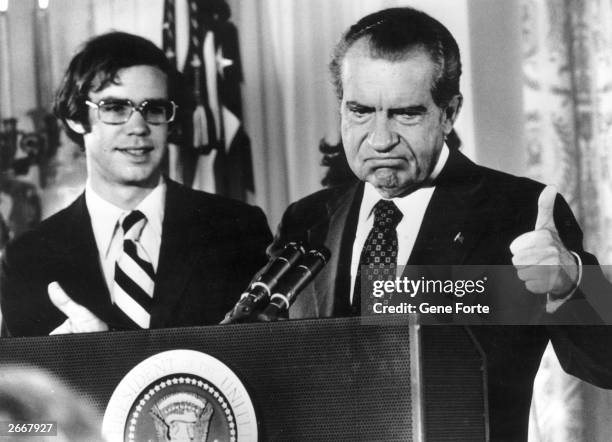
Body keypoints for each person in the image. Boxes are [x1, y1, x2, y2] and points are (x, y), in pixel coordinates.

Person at [270, 7, 612, 441]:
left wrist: (571, 285)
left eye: (405, 114)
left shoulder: (519, 212)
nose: (379, 139)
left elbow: (607, 363)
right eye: (360, 111)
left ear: (449, 112)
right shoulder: (306, 220)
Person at [0, 32, 272, 337]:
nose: (139, 127)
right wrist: (63, 359)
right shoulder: (28, 258)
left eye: (153, 109)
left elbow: (266, 364)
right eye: (115, 109)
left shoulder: (238, 229)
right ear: (76, 117)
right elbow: (23, 380)